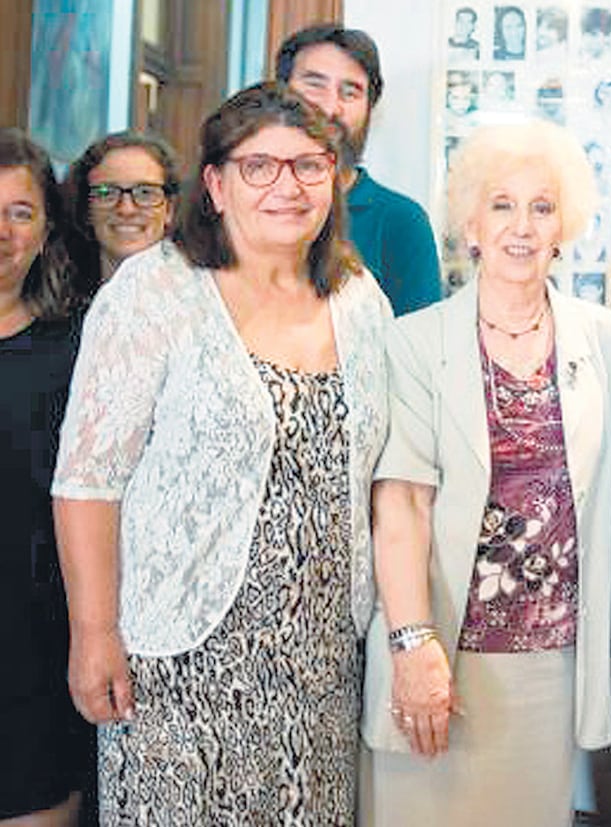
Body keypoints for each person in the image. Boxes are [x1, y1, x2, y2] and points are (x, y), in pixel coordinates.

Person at [52, 82, 392, 825]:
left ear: (334, 179)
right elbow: (87, 479)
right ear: (215, 183)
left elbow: (383, 478)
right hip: (178, 654)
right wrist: (95, 632)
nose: (287, 185)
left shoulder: (360, 298)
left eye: (308, 166)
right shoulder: (157, 290)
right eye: (258, 166)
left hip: (320, 661)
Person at [359, 119, 611, 826]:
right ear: (470, 222)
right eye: (502, 205)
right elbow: (400, 507)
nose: (521, 226)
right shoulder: (414, 341)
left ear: (562, 223)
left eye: (541, 207)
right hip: (440, 656)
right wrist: (413, 644)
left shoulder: (608, 340)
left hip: (551, 667)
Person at [0, 129, 91, 827]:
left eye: (20, 211)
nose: (1, 230)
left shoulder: (79, 345)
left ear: (46, 228)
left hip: (35, 643)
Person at [276, 23, 441, 315]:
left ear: (369, 108)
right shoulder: (248, 202)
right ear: (280, 91)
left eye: (349, 92)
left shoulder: (402, 222)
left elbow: (418, 355)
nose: (330, 107)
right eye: (314, 84)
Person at [63, 130, 179, 291]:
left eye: (145, 192)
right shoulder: (60, 308)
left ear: (169, 209)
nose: (126, 209)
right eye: (107, 193)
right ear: (86, 209)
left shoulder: (200, 305)